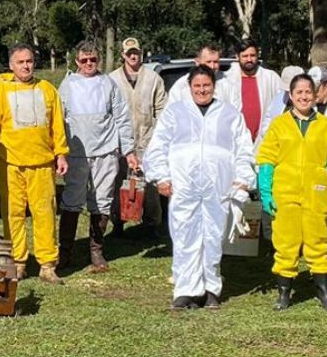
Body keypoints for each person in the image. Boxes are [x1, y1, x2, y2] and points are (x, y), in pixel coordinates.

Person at [144, 65, 256, 311]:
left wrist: (243, 179)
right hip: (184, 188)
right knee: (185, 237)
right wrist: (161, 177)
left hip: (219, 187)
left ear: (214, 86)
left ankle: (211, 289)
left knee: (213, 238)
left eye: (206, 85)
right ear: (189, 87)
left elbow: (244, 149)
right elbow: (158, 146)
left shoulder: (229, 114)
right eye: (197, 86)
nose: (202, 90)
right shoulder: (175, 112)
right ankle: (186, 290)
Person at [257, 74, 327, 312]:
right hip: (285, 194)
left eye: (309, 92)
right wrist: (265, 190)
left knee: (318, 242)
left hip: (316, 193)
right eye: (299, 92)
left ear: (316, 94)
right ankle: (284, 294)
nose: (304, 97)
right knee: (286, 243)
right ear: (291, 95)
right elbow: (266, 160)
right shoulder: (279, 125)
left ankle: (324, 293)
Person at [0, 44, 71, 283]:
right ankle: (18, 262)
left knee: (45, 214)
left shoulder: (47, 89)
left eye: (29, 61)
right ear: (11, 65)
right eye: (20, 62)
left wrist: (60, 154)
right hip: (10, 164)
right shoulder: (0, 87)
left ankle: (47, 264)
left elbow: (57, 125)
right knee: (13, 215)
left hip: (42, 165)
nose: (26, 66)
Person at [57, 40, 136, 273]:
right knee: (72, 200)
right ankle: (65, 251)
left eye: (93, 60)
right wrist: (58, 152)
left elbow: (121, 117)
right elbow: (58, 119)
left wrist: (128, 150)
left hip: (106, 151)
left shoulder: (108, 84)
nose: (89, 64)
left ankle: (97, 250)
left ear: (98, 60)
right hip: (77, 153)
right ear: (76, 62)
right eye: (84, 60)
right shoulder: (67, 85)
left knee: (102, 200)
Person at [109, 37, 167, 238]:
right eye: (129, 53)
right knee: (119, 183)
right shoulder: (113, 79)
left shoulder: (153, 79)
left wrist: (158, 138)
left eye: (136, 52)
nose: (133, 56)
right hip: (121, 143)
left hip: (148, 141)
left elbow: (161, 109)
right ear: (123, 55)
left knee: (150, 186)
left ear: (141, 53)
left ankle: (152, 224)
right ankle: (117, 222)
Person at [226, 38, 285, 145]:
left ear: (258, 55)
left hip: (265, 142)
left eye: (252, 55)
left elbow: (282, 107)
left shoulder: (271, 77)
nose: (249, 59)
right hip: (235, 143)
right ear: (237, 57)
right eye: (245, 56)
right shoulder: (227, 80)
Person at [165, 44, 238, 108]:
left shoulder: (228, 84)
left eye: (215, 62)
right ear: (197, 62)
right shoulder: (181, 85)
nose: (212, 66)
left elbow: (236, 113)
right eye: (208, 62)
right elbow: (170, 114)